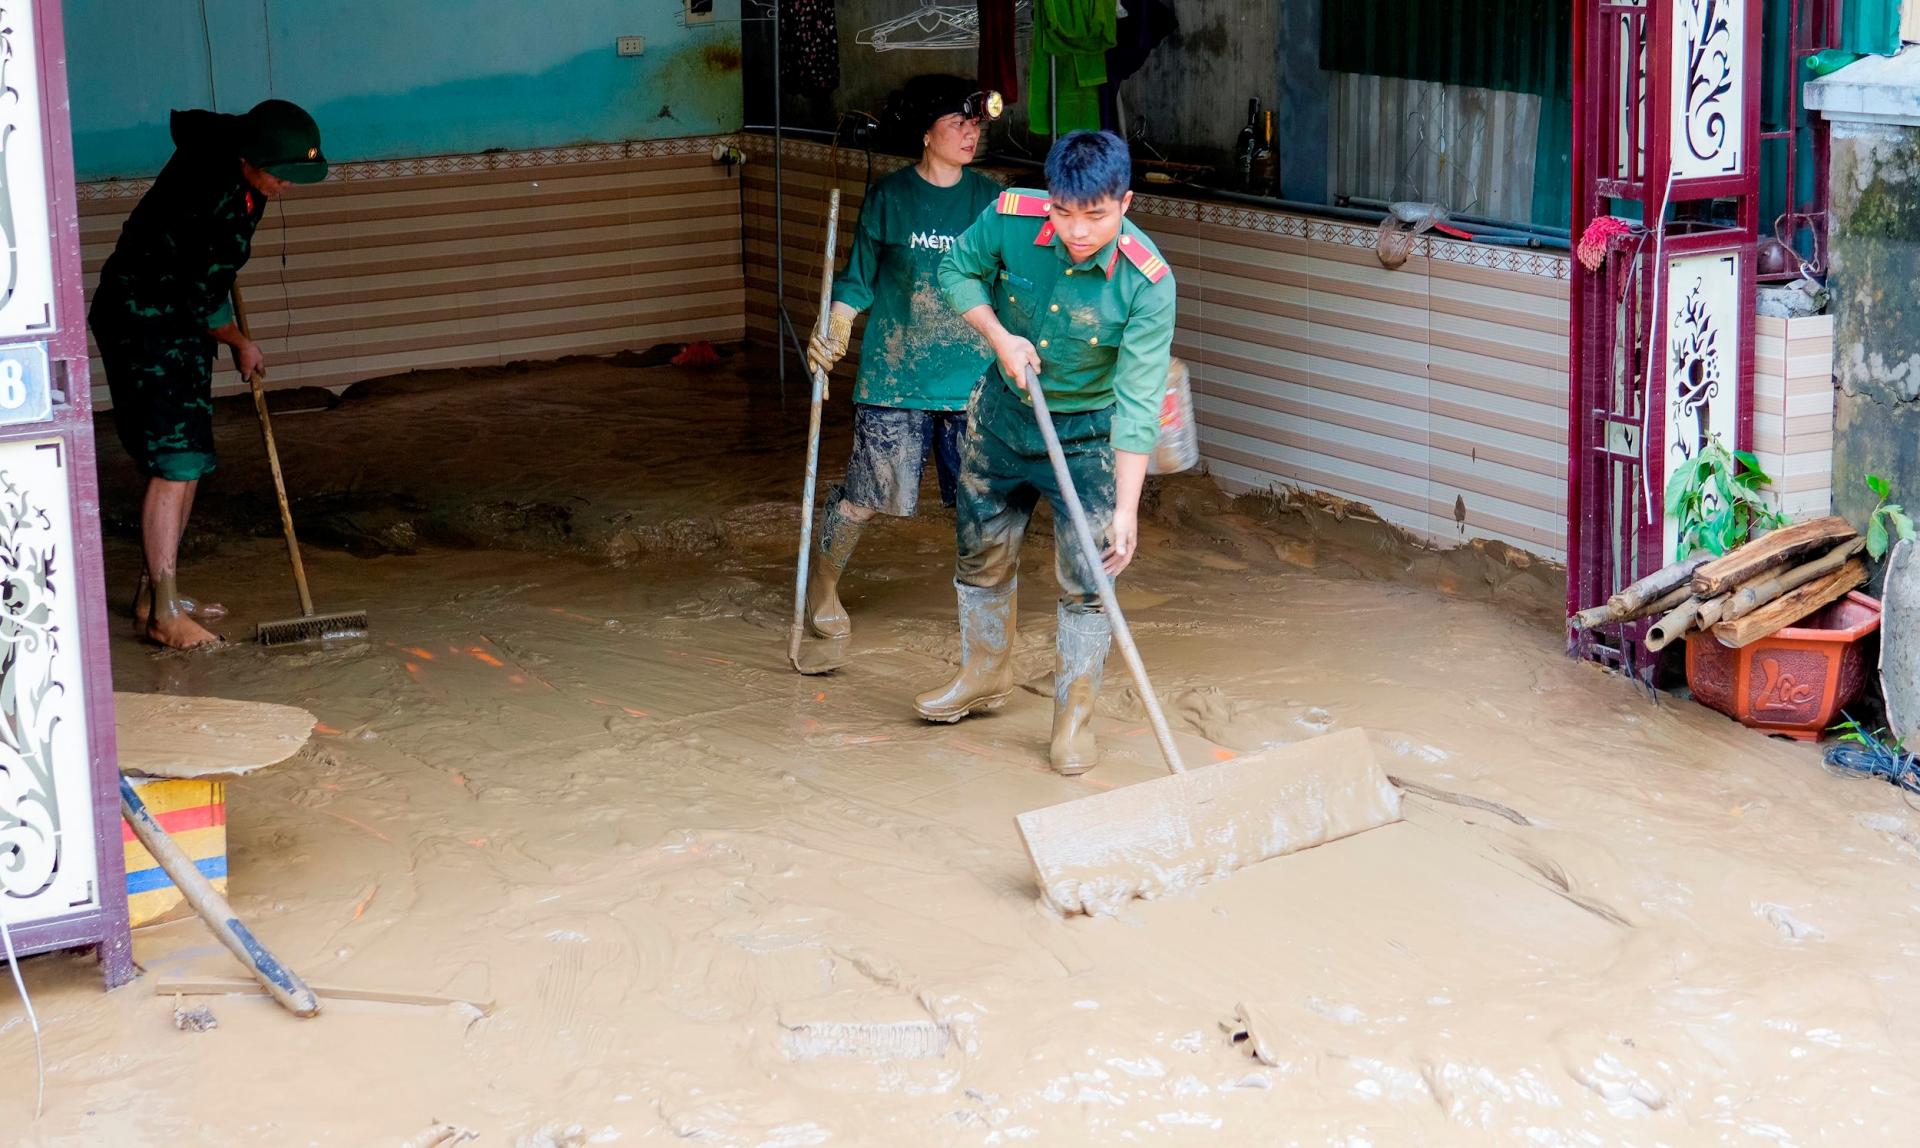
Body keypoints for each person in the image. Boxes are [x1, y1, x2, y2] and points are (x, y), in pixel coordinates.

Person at [919, 130, 1175, 775]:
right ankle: (984, 673)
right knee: (980, 552)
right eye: (1065, 212)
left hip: (1089, 437)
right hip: (1003, 418)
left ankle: (1073, 721)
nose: (1078, 230)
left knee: (1090, 579)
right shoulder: (1011, 216)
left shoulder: (1148, 283)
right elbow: (956, 269)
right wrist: (1000, 337)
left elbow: (1141, 402)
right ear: (1050, 201)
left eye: (1096, 215)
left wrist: (1127, 508)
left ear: (1125, 203)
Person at [90, 100, 328, 650]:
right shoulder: (208, 195)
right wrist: (242, 343)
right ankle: (163, 617)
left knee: (191, 454)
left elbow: (210, 283)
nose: (286, 186)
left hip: (179, 319)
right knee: (174, 460)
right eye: (280, 175)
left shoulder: (242, 171)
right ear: (247, 159)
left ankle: (157, 595)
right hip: (143, 322)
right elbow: (201, 297)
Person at [798, 75, 1003, 673]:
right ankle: (823, 585)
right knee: (867, 496)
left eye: (976, 126)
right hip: (895, 372)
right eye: (957, 125)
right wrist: (833, 329)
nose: (971, 135)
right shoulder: (889, 197)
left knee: (981, 502)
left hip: (970, 379)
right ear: (925, 134)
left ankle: (986, 622)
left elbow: (1009, 278)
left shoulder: (990, 198)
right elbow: (859, 278)